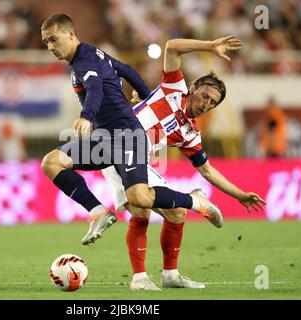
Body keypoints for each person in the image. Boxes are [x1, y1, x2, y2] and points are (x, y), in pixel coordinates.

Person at [40, 13, 223, 246]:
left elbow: (95, 88)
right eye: (46, 42)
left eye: (53, 39)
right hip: (106, 139)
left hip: (128, 137)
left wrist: (87, 116)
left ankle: (194, 200)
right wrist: (146, 98)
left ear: (71, 34)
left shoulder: (84, 61)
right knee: (51, 162)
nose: (50, 46)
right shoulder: (93, 54)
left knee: (139, 197)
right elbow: (126, 70)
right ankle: (99, 213)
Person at [102, 36, 266, 290]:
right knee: (141, 207)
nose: (206, 104)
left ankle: (170, 275)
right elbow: (172, 46)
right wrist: (210, 47)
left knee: (176, 214)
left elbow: (207, 170)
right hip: (117, 147)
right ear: (192, 88)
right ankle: (140, 278)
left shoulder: (190, 134)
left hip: (137, 160)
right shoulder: (173, 88)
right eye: (204, 96)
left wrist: (240, 195)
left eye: (212, 103)